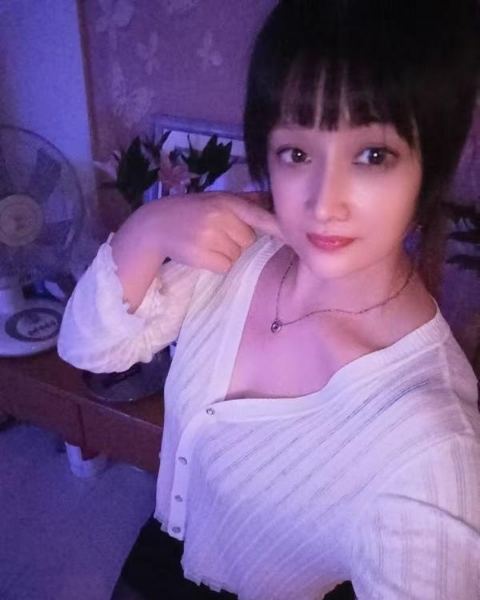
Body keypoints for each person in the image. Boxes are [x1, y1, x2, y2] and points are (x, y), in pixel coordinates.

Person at [58, 1, 480, 598]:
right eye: (297, 153)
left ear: (427, 167)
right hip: (159, 547)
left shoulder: (431, 453)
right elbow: (89, 349)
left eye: (372, 156)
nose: (323, 203)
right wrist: (149, 228)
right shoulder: (238, 252)